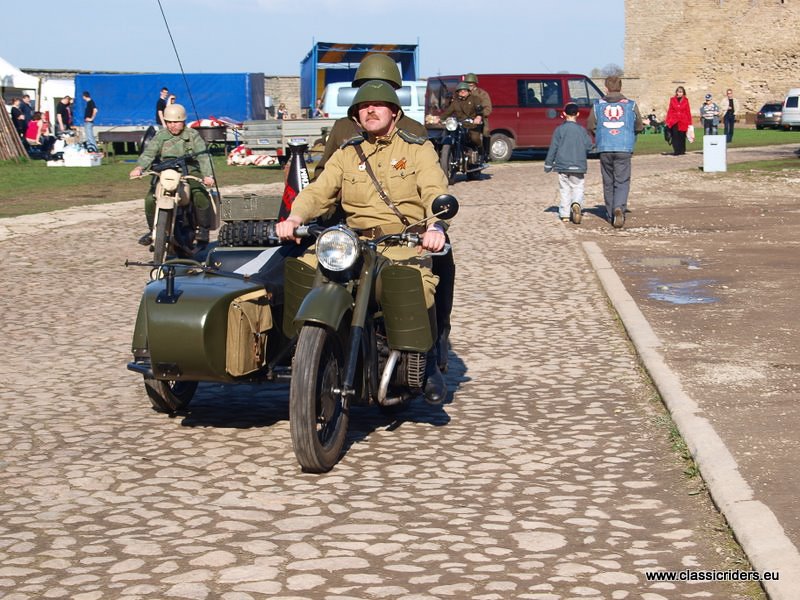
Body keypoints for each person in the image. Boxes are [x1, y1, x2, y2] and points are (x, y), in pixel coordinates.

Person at [275, 80, 450, 405]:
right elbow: (319, 191)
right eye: (363, 107)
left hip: (401, 242)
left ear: (394, 112)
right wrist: (295, 218)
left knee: (411, 283)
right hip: (352, 243)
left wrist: (435, 226)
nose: (370, 110)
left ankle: (424, 360)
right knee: (304, 268)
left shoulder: (417, 149)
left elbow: (434, 190)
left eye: (378, 105)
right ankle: (303, 350)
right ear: (356, 115)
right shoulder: (347, 153)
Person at [312, 54, 455, 374]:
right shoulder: (346, 129)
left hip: (406, 231)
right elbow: (324, 179)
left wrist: (435, 225)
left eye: (380, 92)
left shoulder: (411, 132)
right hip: (351, 231)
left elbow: (432, 184)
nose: (372, 103)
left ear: (392, 99)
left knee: (436, 268)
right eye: (367, 92)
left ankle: (431, 350)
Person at [129, 103, 215, 247]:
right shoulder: (161, 135)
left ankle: (203, 230)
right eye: (169, 122)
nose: (172, 125)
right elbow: (149, 153)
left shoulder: (192, 135)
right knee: (150, 198)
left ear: (183, 121)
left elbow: (203, 156)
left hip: (189, 169)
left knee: (199, 194)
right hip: (166, 169)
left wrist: (208, 175)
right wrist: (139, 168)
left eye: (176, 122)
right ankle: (153, 231)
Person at [586, 75, 643, 229]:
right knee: (622, 180)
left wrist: (599, 135)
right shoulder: (631, 105)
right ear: (620, 87)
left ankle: (611, 212)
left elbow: (590, 125)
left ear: (606, 88)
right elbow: (639, 126)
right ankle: (619, 207)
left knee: (608, 181)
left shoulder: (597, 105)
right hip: (624, 147)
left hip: (605, 147)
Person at [544, 102, 594, 224]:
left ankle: (565, 214)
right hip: (578, 165)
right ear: (578, 114)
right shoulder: (581, 130)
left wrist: (548, 164)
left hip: (562, 165)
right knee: (578, 186)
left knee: (564, 189)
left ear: (564, 113)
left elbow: (553, 148)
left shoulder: (559, 130)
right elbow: (589, 146)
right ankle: (576, 203)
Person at [433, 82, 483, 150]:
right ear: (458, 92)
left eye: (465, 90)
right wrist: (439, 118)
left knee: (474, 138)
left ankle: (480, 150)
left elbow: (479, 109)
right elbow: (448, 112)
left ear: (468, 91)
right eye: (460, 90)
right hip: (460, 125)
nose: (462, 92)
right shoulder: (455, 102)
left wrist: (478, 117)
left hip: (472, 125)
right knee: (451, 134)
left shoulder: (475, 99)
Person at [462, 73, 492, 159]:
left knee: (484, 133)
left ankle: (484, 153)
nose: (469, 86)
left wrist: (479, 115)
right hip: (463, 120)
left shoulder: (482, 94)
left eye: (471, 84)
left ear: (475, 84)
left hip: (478, 121)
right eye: (467, 84)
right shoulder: (461, 93)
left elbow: (488, 109)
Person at [664, 86, 692, 156]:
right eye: (678, 92)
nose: (679, 93)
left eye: (681, 92)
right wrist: (667, 120)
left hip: (683, 120)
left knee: (682, 136)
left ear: (683, 93)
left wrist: (690, 122)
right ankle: (676, 150)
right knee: (675, 136)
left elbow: (688, 111)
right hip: (674, 120)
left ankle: (682, 150)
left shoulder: (686, 100)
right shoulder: (672, 100)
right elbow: (670, 110)